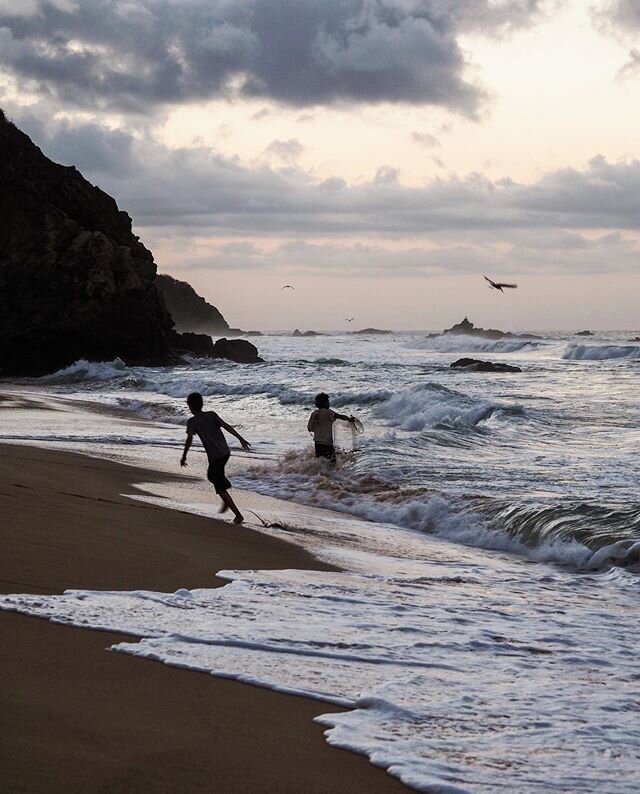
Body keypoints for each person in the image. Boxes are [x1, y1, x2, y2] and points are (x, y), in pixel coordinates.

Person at [180, 392, 250, 524]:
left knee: (215, 479)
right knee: (214, 477)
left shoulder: (192, 422)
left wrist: (184, 456)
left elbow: (189, 439)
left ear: (190, 406)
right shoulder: (211, 415)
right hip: (225, 452)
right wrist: (240, 438)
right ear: (201, 404)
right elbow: (226, 426)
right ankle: (225, 497)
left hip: (215, 455)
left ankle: (237, 514)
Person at [307, 392, 355, 464]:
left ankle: (320, 474)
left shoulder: (314, 413)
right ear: (325, 403)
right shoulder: (328, 412)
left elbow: (310, 428)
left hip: (317, 443)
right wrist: (349, 419)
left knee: (320, 462)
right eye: (328, 402)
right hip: (327, 443)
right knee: (332, 462)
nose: (329, 403)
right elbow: (340, 416)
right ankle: (331, 475)